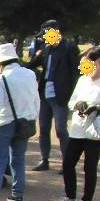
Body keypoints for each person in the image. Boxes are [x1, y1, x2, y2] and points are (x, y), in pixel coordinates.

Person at [51, 46, 100, 201]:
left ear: (99, 62)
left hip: (96, 130)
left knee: (89, 166)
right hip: (78, 128)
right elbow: (72, 101)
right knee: (68, 163)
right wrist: (78, 105)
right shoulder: (83, 80)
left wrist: (99, 107)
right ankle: (70, 197)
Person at [0, 43, 40, 201]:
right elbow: (36, 99)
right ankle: (17, 195)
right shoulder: (30, 74)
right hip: (25, 122)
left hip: (5, 122)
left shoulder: (0, 79)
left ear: (0, 63)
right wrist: (32, 117)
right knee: (19, 159)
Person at [25, 19, 80, 172]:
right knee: (43, 128)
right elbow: (32, 64)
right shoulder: (45, 48)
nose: (43, 37)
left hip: (60, 95)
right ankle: (44, 160)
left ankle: (67, 162)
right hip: (45, 94)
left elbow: (76, 72)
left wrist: (72, 94)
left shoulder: (69, 47)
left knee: (61, 129)